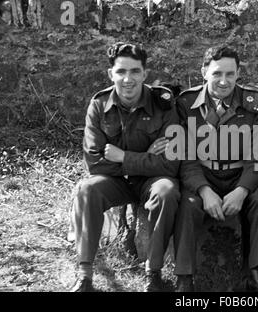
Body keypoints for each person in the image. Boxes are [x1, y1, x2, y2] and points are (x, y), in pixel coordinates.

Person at [70, 42, 181, 292]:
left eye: (134, 71)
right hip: (116, 182)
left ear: (145, 73)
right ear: (111, 74)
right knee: (88, 189)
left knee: (167, 191)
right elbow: (95, 162)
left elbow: (170, 165)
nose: (127, 79)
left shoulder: (164, 105)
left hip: (151, 182)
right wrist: (144, 157)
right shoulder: (99, 104)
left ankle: (154, 275)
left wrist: (124, 157)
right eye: (121, 72)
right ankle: (84, 275)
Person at [174, 46, 258, 292]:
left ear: (238, 73)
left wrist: (242, 190)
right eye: (217, 73)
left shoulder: (255, 103)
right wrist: (204, 190)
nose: (224, 81)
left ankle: (256, 275)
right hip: (202, 174)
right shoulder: (185, 104)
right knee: (187, 203)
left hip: (241, 174)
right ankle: (185, 279)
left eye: (230, 74)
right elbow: (184, 157)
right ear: (204, 72)